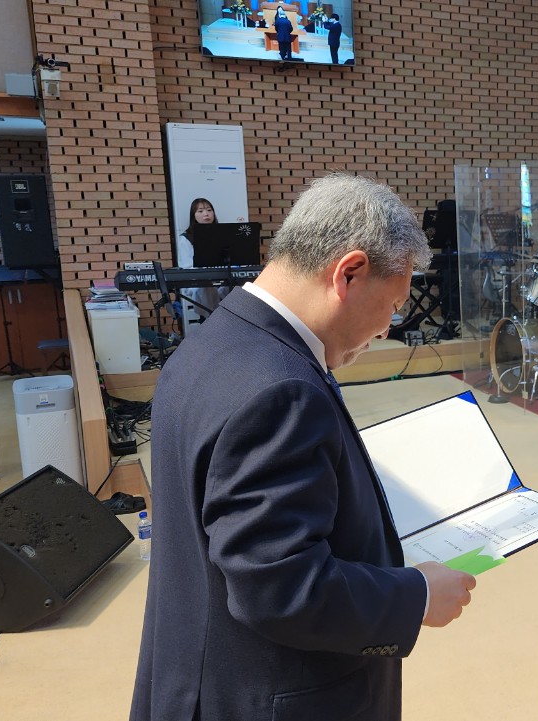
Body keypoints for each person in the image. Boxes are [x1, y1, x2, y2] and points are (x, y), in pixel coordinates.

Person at [131, 173, 477, 721]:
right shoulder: (281, 390)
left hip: (202, 670)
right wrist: (416, 597)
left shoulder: (212, 343)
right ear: (348, 273)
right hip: (271, 694)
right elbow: (278, 585)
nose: (386, 329)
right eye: (392, 305)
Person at [175, 197, 224, 323]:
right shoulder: (186, 238)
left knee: (236, 286)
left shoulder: (224, 234)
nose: (206, 214)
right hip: (198, 281)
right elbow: (187, 267)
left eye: (209, 210)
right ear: (194, 216)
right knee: (206, 287)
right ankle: (210, 320)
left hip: (222, 278)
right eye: (200, 211)